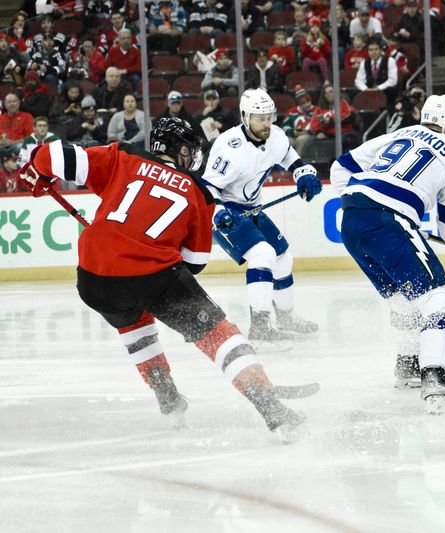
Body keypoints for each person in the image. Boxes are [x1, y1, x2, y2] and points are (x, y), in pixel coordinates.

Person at [19, 117, 315, 441]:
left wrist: (41, 172)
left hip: (93, 278)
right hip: (153, 276)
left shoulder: (123, 157)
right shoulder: (198, 191)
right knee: (219, 334)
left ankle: (168, 398)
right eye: (190, 151)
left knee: (132, 318)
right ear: (177, 150)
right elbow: (195, 262)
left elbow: (48, 155)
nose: (193, 158)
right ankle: (271, 406)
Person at [329, 95, 445, 413]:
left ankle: (409, 364)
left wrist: (364, 202)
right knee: (438, 300)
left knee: (404, 298)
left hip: (352, 218)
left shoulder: (397, 135)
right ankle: (435, 376)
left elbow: (340, 168)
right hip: (389, 219)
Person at [203, 88, 323, 344]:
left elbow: (290, 156)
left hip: (252, 208)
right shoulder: (228, 146)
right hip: (226, 211)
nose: (266, 123)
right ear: (245, 117)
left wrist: (304, 174)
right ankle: (260, 327)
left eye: (269, 117)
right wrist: (218, 213)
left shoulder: (276, 136)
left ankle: (286, 317)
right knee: (263, 254)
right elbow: (207, 188)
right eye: (260, 118)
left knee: (282, 258)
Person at [354, 37, 398, 106]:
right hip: (368, 90)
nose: (373, 52)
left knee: (391, 90)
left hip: (384, 90)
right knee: (357, 92)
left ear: (380, 50)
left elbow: (393, 80)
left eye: (376, 49)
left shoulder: (390, 61)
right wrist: (366, 89)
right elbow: (358, 80)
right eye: (371, 50)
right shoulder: (364, 63)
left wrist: (378, 89)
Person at [300, 17, 331, 82]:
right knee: (306, 61)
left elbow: (327, 52)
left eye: (317, 27)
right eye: (312, 27)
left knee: (322, 60)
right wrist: (307, 44)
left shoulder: (324, 39)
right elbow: (303, 53)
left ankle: (326, 80)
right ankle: (305, 80)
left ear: (319, 28)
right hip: (310, 59)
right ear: (310, 28)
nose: (314, 29)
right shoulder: (306, 39)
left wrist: (322, 45)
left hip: (320, 58)